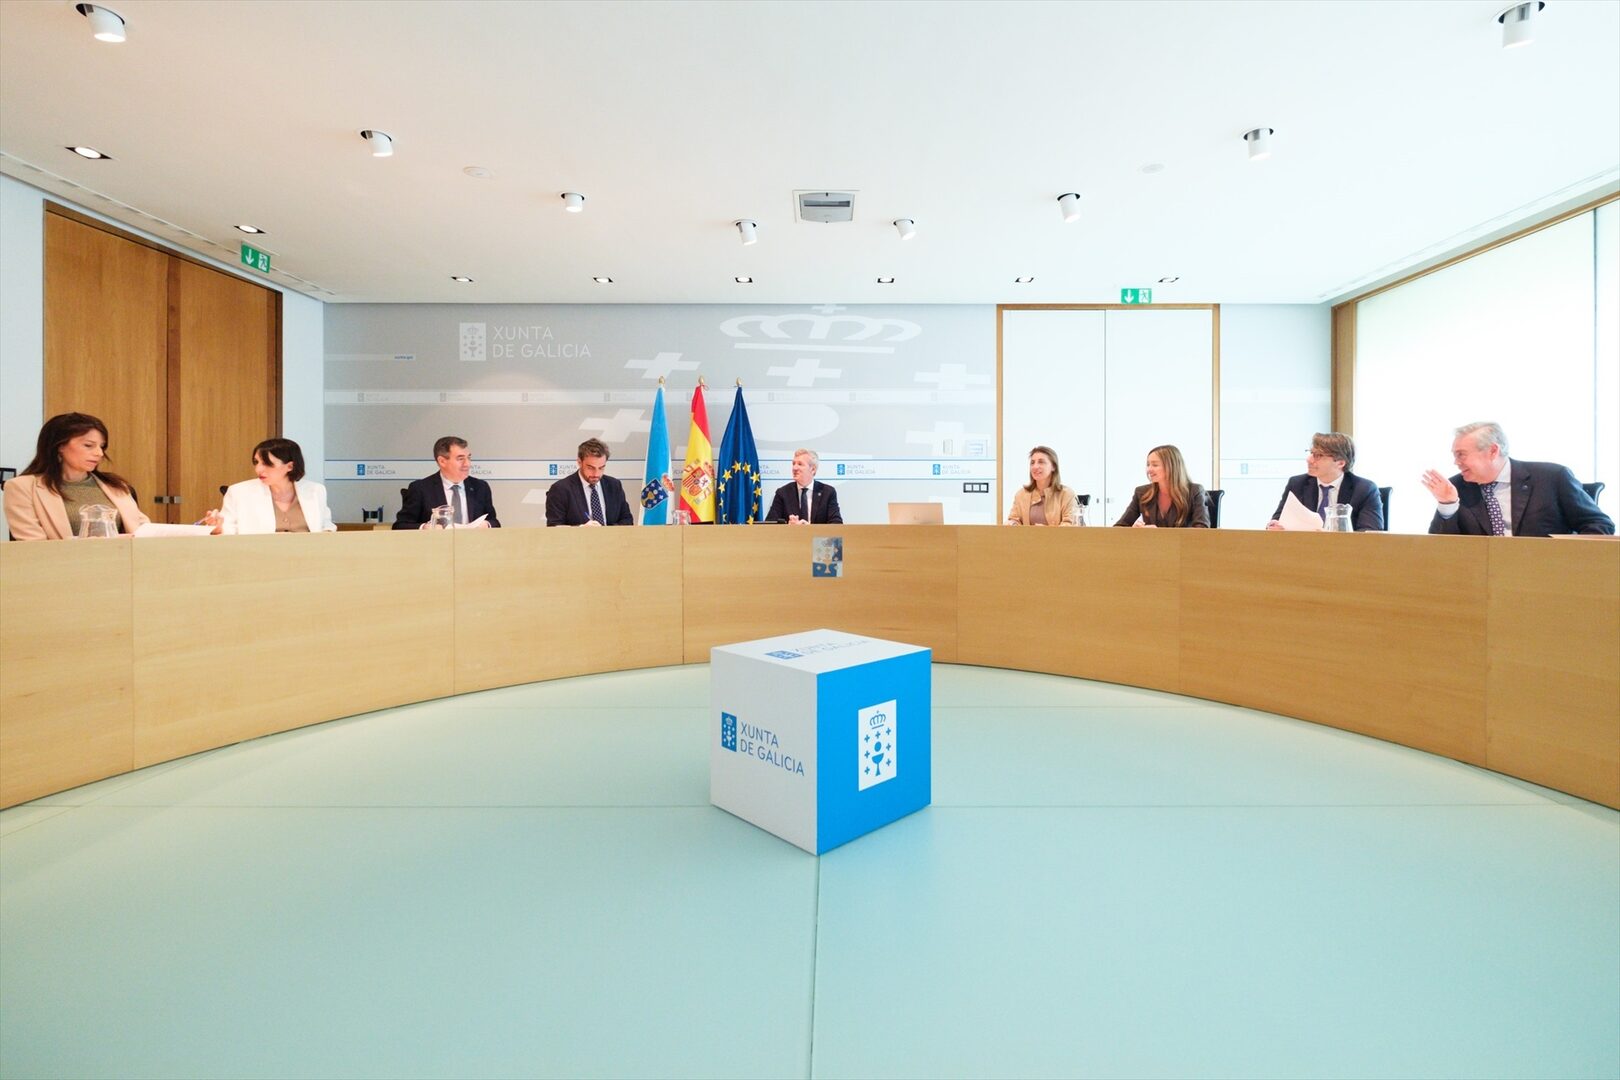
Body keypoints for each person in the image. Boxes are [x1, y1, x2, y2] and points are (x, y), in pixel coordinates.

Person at [1421, 421, 1613, 537]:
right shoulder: (1456, 488)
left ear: (1493, 451)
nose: (1456, 462)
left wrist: (1570, 560)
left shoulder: (1552, 478)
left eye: (1461, 454)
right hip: (1483, 579)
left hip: (1547, 575)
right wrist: (1447, 505)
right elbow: (1441, 549)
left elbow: (1599, 524)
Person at [4, 412, 150, 540]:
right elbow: (33, 545)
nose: (99, 453)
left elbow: (144, 530)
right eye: (88, 445)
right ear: (60, 446)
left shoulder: (117, 486)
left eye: (102, 446)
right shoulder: (22, 487)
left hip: (120, 559)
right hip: (60, 563)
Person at [212, 438, 336, 534]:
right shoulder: (239, 492)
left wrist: (327, 534)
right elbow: (229, 530)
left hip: (309, 555)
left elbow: (326, 525)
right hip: (259, 555)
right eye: (256, 462)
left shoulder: (315, 490)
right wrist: (218, 528)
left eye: (267, 463)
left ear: (290, 466)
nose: (258, 469)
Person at [1267, 432, 1384, 531]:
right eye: (1311, 453)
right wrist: (1274, 526)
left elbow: (1370, 533)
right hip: (1303, 547)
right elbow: (1279, 519)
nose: (1309, 460)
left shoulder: (1364, 489)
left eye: (1318, 455)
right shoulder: (1297, 484)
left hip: (1344, 550)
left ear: (1340, 463)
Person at [393, 435, 500, 529]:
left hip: (473, 544)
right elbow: (400, 525)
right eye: (460, 459)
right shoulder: (421, 489)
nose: (467, 464)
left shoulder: (480, 487)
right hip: (436, 544)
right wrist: (425, 527)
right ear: (442, 461)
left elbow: (494, 522)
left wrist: (487, 524)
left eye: (469, 458)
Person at [1114, 444, 1210, 528]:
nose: (1149, 470)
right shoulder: (1141, 492)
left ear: (1172, 467)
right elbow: (1119, 527)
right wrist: (1132, 530)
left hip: (1182, 544)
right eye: (1148, 464)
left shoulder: (1195, 491)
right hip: (1151, 544)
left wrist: (1159, 534)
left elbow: (1201, 529)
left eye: (1155, 465)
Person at [545, 438, 634, 526]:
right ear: (579, 462)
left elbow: (627, 520)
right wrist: (581, 530)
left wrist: (606, 531)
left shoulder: (614, 485)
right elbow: (554, 526)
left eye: (601, 468)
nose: (596, 474)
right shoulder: (560, 489)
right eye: (590, 468)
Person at [1004, 445, 1082, 526]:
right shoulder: (1021, 494)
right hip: (1027, 535)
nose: (1035, 466)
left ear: (1053, 467)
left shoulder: (1067, 494)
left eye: (1041, 462)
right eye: (1032, 463)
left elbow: (1070, 525)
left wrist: (1045, 531)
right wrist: (1012, 523)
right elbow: (1014, 519)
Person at [765, 448, 843, 525]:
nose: (794, 468)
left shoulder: (828, 492)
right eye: (793, 464)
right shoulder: (783, 493)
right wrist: (788, 527)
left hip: (816, 534)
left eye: (800, 464)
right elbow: (770, 524)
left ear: (813, 469)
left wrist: (809, 529)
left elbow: (837, 524)